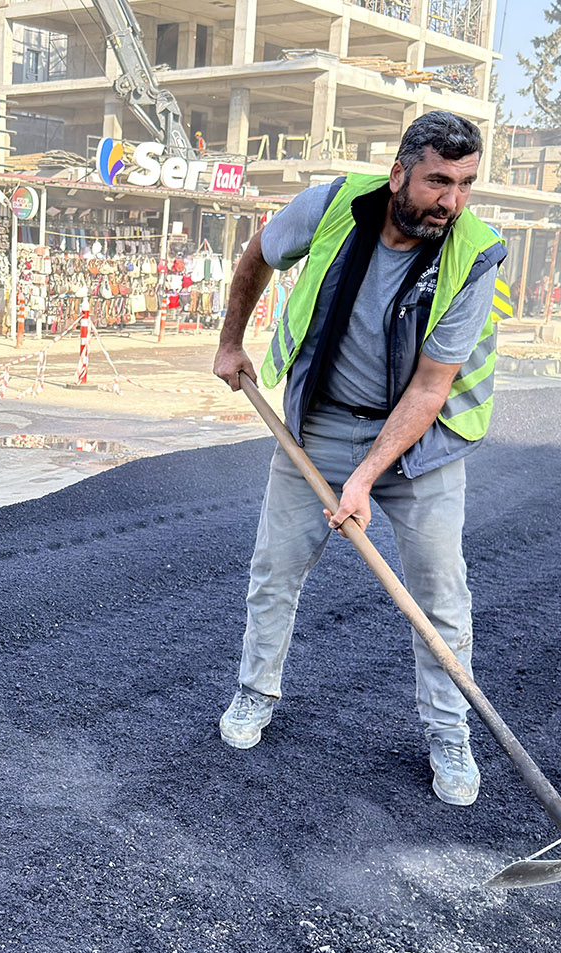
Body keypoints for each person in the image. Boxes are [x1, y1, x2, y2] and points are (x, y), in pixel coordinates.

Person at [211, 111, 509, 806]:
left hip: (420, 448)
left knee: (440, 596)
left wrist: (366, 479)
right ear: (400, 171)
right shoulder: (332, 205)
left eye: (465, 183)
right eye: (439, 180)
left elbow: (432, 387)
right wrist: (230, 342)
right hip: (316, 425)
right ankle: (255, 694)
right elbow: (257, 255)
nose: (452, 200)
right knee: (274, 570)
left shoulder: (476, 254)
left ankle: (449, 735)